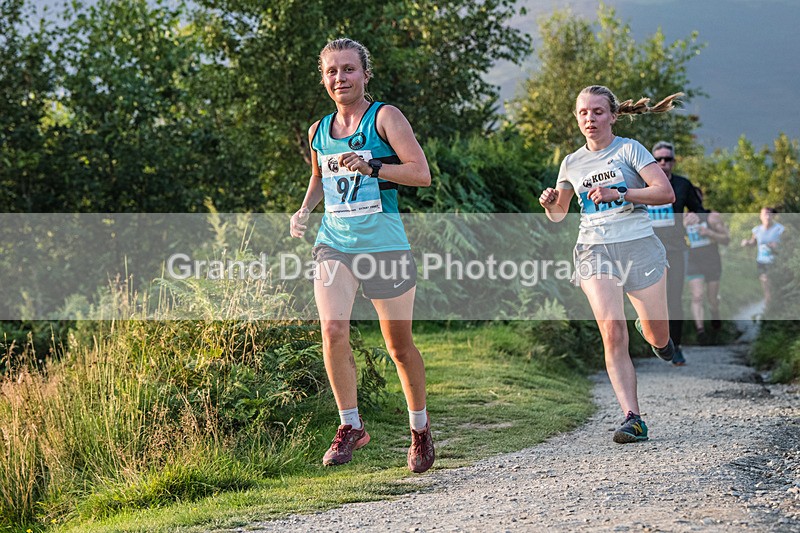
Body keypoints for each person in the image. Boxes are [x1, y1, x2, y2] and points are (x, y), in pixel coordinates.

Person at [289, 38, 434, 473]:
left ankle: (420, 429)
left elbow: (421, 174)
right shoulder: (319, 130)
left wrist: (373, 167)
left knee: (399, 346)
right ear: (323, 78)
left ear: (365, 74)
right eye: (332, 71)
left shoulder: (385, 117)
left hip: (385, 244)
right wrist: (303, 210)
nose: (340, 78)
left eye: (349, 70)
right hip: (335, 242)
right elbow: (319, 179)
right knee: (333, 329)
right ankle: (350, 426)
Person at [539, 85, 679, 444]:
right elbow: (559, 216)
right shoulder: (571, 162)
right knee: (612, 330)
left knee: (657, 334)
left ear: (613, 115)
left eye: (598, 112)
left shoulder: (630, 149)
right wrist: (550, 202)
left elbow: (665, 193)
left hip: (638, 245)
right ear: (577, 117)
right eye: (584, 112)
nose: (590, 118)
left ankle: (658, 341)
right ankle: (632, 417)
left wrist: (622, 193)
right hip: (594, 248)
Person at [647, 141, 706, 365]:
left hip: (675, 248)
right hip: (647, 247)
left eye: (667, 159)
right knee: (649, 297)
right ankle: (654, 341)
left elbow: (699, 209)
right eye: (659, 159)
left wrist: (695, 217)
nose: (663, 163)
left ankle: (675, 346)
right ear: (652, 161)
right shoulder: (642, 182)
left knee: (674, 297)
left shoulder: (682, 184)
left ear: (673, 161)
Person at [685, 187, 729, 343]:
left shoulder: (712, 217)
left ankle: (715, 312)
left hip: (711, 261)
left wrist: (710, 233)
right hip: (693, 261)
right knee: (697, 296)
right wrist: (682, 227)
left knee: (712, 298)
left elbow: (726, 239)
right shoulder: (681, 217)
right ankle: (700, 331)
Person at [741, 207, 786, 310]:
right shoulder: (757, 230)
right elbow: (753, 242)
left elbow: (787, 244)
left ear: (773, 216)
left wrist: (777, 246)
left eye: (769, 214)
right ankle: (768, 307)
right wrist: (747, 243)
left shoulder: (780, 229)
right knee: (766, 284)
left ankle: (778, 307)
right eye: (765, 214)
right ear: (760, 216)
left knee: (775, 285)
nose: (767, 216)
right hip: (762, 261)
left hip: (777, 261)